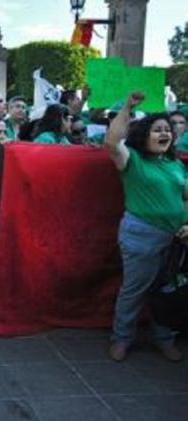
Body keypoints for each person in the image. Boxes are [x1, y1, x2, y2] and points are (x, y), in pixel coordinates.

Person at [103, 91, 185, 363]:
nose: (165, 134)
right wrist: (127, 106)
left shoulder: (175, 164)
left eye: (168, 130)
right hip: (142, 236)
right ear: (144, 135)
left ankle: (164, 338)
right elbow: (113, 141)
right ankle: (121, 339)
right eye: (157, 130)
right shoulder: (132, 161)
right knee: (135, 289)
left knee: (166, 290)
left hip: (175, 239)